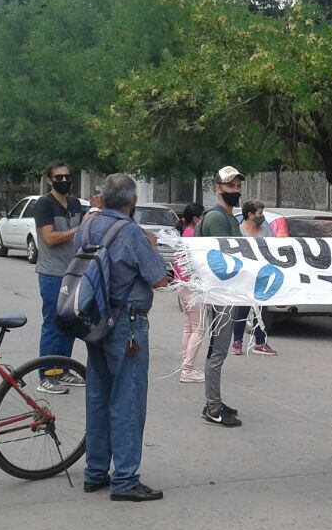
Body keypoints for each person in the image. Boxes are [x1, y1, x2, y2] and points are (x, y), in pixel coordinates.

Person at [80, 173, 169, 501]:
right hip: (127, 324)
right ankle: (126, 479)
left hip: (95, 321)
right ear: (133, 202)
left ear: (101, 198)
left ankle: (95, 471)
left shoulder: (88, 225)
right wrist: (152, 246)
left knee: (98, 396)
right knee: (127, 400)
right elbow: (158, 278)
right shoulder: (131, 233)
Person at [32, 161, 88, 393]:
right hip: (53, 274)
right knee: (53, 324)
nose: (64, 181)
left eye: (67, 177)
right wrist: (80, 227)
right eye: (59, 178)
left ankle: (62, 370)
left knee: (69, 323)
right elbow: (50, 238)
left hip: (74, 273)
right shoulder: (43, 205)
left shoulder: (75, 204)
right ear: (49, 180)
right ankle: (47, 375)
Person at [198, 165, 246, 428]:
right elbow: (226, 258)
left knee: (219, 350)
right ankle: (212, 406)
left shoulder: (229, 217)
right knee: (217, 352)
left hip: (226, 294)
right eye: (230, 186)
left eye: (238, 186)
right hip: (219, 295)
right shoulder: (217, 218)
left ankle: (214, 399)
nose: (235, 191)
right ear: (218, 188)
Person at [232, 200, 277, 356]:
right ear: (250, 215)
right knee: (242, 309)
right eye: (259, 213)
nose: (262, 216)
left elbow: (273, 249)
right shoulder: (239, 232)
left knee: (262, 310)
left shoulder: (266, 230)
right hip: (245, 277)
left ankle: (260, 342)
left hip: (262, 275)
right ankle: (237, 342)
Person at [175, 202, 207, 383]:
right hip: (192, 287)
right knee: (200, 328)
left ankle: (187, 364)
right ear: (196, 219)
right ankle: (188, 369)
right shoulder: (194, 236)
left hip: (182, 286)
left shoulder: (185, 234)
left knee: (189, 327)